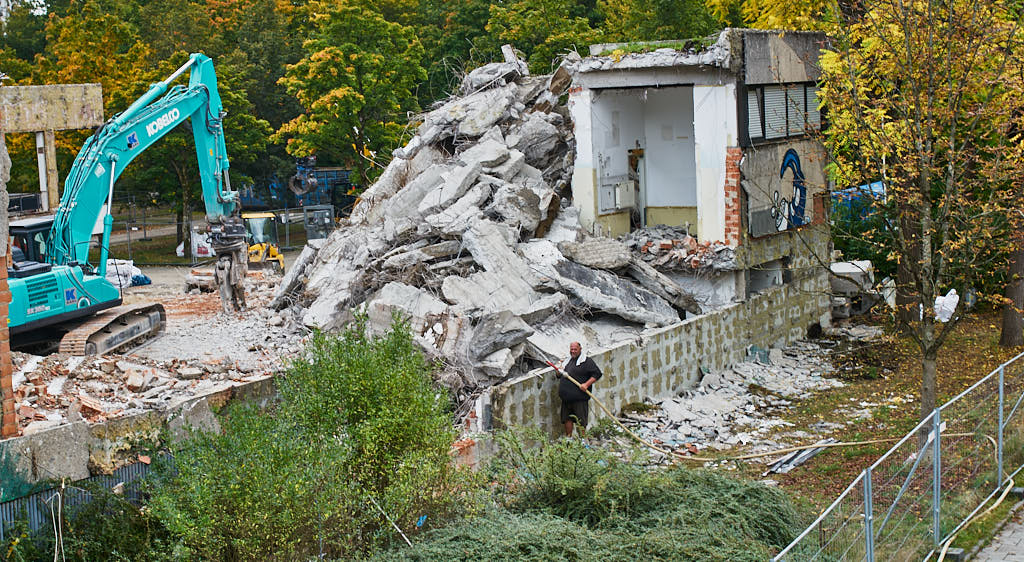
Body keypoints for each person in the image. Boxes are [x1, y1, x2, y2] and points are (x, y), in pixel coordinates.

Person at [556, 341, 602, 438]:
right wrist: (558, 371)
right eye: (571, 349)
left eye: (575, 349)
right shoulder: (567, 361)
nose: (573, 351)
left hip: (579, 399)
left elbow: (597, 374)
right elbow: (559, 375)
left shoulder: (586, 361)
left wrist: (586, 384)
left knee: (581, 421)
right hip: (566, 399)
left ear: (580, 349)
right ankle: (569, 439)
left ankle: (583, 441)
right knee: (567, 419)